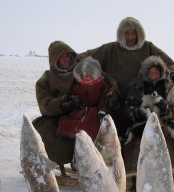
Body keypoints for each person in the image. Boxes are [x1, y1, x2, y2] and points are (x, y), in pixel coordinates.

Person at [83, 17, 174, 138]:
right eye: (127, 33)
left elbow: (168, 63)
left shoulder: (148, 47)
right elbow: (88, 56)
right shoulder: (111, 49)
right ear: (121, 34)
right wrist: (69, 57)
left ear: (139, 33)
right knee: (119, 137)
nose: (130, 37)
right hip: (118, 102)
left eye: (133, 33)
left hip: (142, 98)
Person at [32, 41, 119, 175]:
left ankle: (100, 163)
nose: (66, 59)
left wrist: (112, 93)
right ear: (55, 60)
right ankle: (53, 162)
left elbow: (106, 80)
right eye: (61, 57)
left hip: (91, 112)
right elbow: (45, 104)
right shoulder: (46, 79)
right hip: (60, 115)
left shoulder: (83, 67)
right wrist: (62, 103)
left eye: (68, 55)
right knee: (43, 134)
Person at [122, 55, 174, 192]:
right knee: (136, 142)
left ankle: (166, 181)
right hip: (142, 124)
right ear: (145, 73)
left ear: (161, 73)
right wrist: (138, 112)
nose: (153, 76)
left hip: (165, 123)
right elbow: (128, 107)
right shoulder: (137, 87)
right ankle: (136, 181)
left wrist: (167, 109)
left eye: (156, 73)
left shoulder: (171, 87)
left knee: (168, 140)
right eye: (151, 73)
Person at [56, 56, 112, 141]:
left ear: (95, 75)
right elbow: (72, 95)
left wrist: (102, 109)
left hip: (94, 112)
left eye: (90, 76)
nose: (87, 78)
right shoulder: (77, 86)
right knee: (68, 121)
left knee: (90, 125)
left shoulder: (101, 85)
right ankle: (68, 133)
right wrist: (73, 102)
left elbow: (103, 97)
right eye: (85, 76)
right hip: (80, 110)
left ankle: (89, 138)